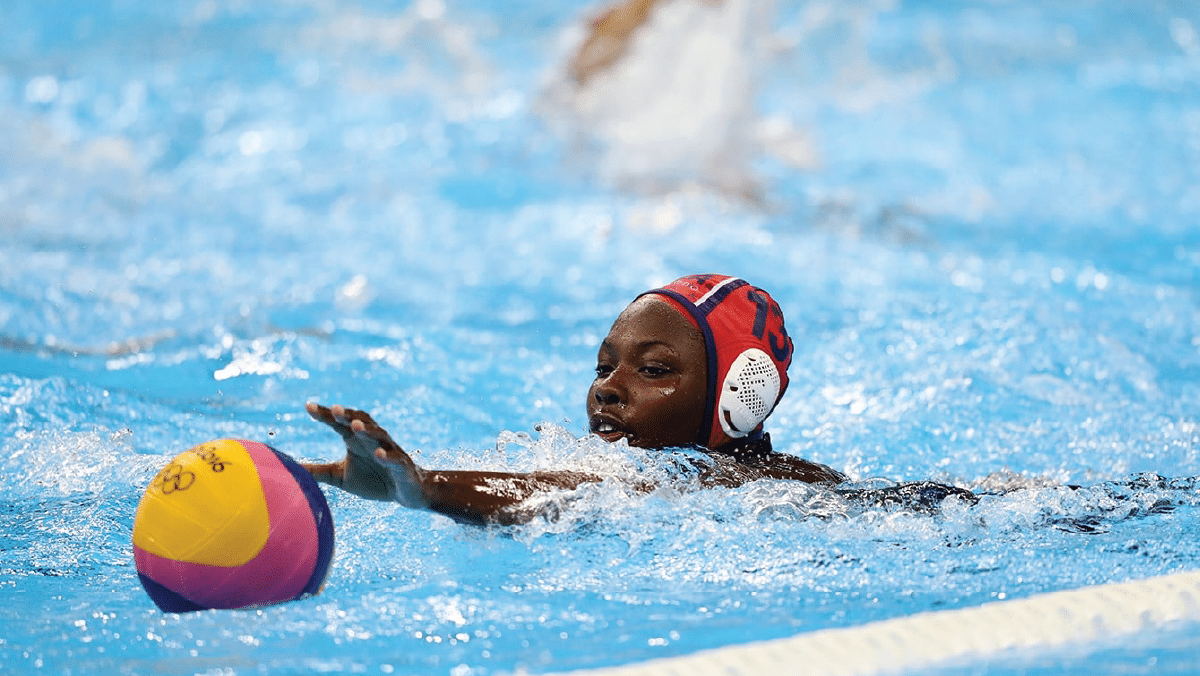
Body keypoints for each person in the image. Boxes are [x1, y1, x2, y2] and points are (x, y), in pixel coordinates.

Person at [301, 274, 969, 525]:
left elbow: (561, 493)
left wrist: (425, 487)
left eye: (654, 369)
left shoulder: (725, 481)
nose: (608, 387)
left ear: (735, 397)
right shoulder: (686, 471)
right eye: (605, 364)